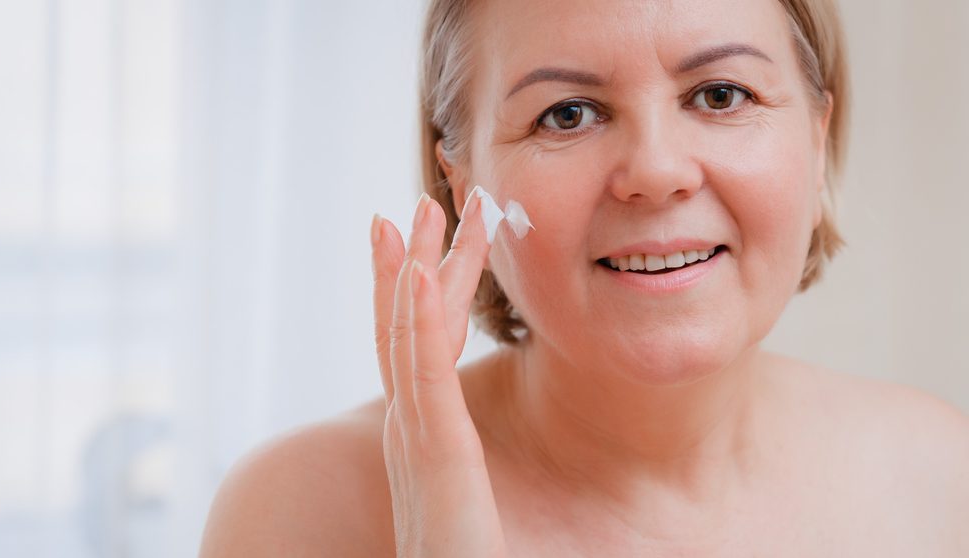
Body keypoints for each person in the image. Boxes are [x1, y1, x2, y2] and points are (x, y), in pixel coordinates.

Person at [199, 0, 969, 555]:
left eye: (720, 95)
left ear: (815, 132)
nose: (657, 172)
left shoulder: (940, 476)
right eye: (567, 114)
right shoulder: (299, 513)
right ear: (463, 187)